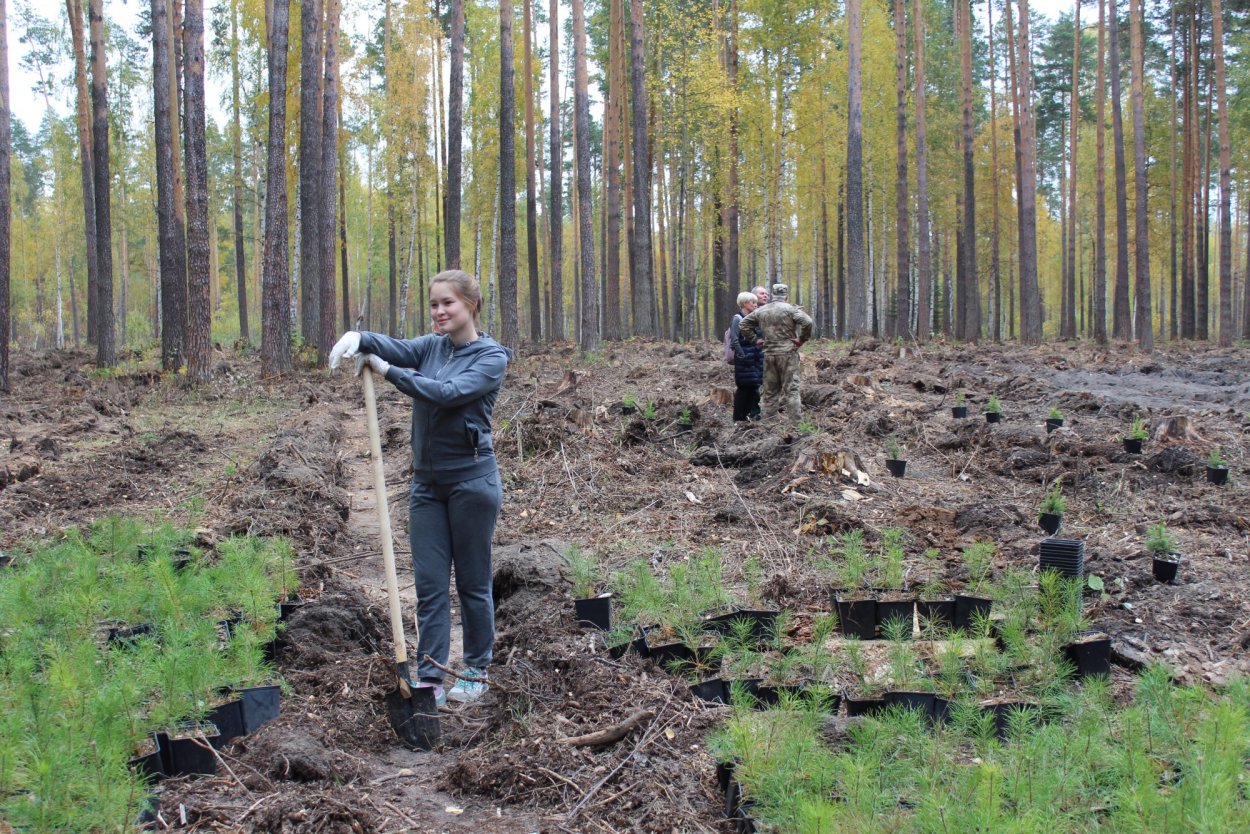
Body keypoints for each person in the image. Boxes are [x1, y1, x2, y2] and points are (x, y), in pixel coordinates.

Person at [330, 270, 508, 706]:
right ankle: (430, 675)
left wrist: (388, 371)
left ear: (471, 305)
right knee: (429, 585)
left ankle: (475, 669)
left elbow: (446, 393)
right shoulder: (432, 346)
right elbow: (403, 349)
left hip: (472, 484)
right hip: (427, 486)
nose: (439, 311)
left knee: (471, 582)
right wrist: (362, 338)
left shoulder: (490, 358)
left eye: (448, 303)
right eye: (433, 304)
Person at [737, 283, 814, 423]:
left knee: (770, 392)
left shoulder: (762, 310)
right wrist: (801, 339)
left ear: (772, 295)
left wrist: (755, 339)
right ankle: (796, 424)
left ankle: (769, 424)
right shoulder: (790, 309)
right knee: (792, 390)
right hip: (787, 354)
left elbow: (743, 325)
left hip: (769, 354)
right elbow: (807, 322)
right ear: (786, 296)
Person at [729, 292, 764, 421]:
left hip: (756, 360)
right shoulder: (737, 318)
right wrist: (743, 356)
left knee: (753, 388)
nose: (755, 305)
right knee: (743, 389)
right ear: (744, 303)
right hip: (744, 361)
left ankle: (748, 417)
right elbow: (734, 340)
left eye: (755, 302)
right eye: (752, 302)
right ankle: (738, 419)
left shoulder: (754, 319)